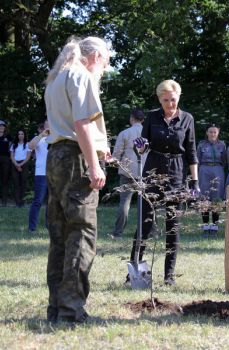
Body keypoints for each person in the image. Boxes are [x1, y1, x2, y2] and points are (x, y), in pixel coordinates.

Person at [44, 36, 111, 323]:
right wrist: (95, 165)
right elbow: (82, 124)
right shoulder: (81, 75)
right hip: (76, 160)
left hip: (56, 156)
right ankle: (72, 311)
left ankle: (56, 309)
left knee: (60, 236)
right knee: (81, 233)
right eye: (106, 63)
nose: (104, 69)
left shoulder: (57, 78)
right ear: (95, 57)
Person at [129, 79, 199, 286]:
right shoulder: (152, 117)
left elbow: (192, 152)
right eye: (166, 100)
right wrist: (139, 146)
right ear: (160, 100)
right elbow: (141, 147)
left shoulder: (187, 119)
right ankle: (133, 272)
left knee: (172, 227)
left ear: (179, 98)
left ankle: (169, 276)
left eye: (173, 100)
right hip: (152, 172)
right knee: (145, 224)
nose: (170, 104)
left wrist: (194, 181)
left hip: (176, 174)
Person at [109, 108, 146, 239]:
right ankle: (151, 231)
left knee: (124, 202)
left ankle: (118, 232)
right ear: (143, 120)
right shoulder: (149, 133)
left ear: (131, 118)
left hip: (127, 171)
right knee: (148, 202)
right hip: (146, 172)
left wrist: (112, 162)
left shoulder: (125, 133)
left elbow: (117, 154)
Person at [197, 124, 226, 237]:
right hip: (204, 170)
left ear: (218, 133)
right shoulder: (201, 144)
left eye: (215, 132)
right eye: (210, 132)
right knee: (204, 199)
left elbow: (225, 160)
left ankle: (214, 227)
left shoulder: (222, 145)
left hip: (218, 170)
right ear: (207, 133)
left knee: (216, 199)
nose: (213, 134)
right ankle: (205, 227)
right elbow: (197, 159)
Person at [28, 121, 49, 233]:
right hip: (41, 174)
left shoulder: (57, 138)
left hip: (55, 174)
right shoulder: (39, 138)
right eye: (47, 124)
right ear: (44, 126)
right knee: (38, 201)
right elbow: (30, 146)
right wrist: (41, 135)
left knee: (52, 202)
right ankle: (32, 228)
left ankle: (50, 227)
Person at [10, 129, 31, 207]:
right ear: (17, 135)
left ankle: (22, 202)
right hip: (15, 164)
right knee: (16, 184)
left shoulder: (28, 144)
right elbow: (12, 156)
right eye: (19, 134)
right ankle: (17, 203)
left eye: (22, 134)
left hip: (24, 164)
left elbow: (28, 156)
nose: (20, 135)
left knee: (23, 184)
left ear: (24, 135)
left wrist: (21, 164)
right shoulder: (14, 144)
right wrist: (16, 165)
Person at [0, 120, 12, 206]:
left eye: (2, 126)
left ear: (5, 127)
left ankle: (4, 201)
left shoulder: (8, 136)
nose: (1, 127)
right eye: (0, 126)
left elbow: (11, 148)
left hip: (6, 159)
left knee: (5, 180)